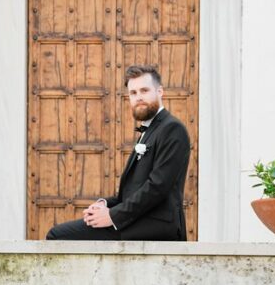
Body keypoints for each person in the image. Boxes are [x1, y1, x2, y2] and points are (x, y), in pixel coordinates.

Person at [46, 65, 190, 241]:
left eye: (144, 90)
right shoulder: (150, 130)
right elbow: (130, 193)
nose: (138, 97)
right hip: (137, 219)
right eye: (133, 93)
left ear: (160, 92)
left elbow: (157, 188)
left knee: (57, 236)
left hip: (156, 223)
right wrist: (104, 205)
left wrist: (112, 216)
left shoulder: (172, 128)